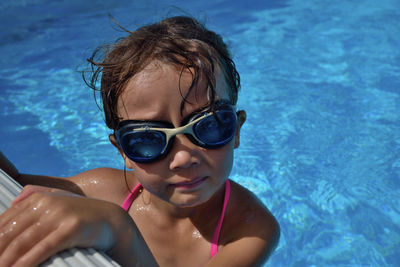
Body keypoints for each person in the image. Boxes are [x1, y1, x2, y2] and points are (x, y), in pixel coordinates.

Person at [0, 16, 280, 266]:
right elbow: (10, 182)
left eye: (208, 126)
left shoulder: (250, 230)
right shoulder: (107, 190)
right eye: (148, 139)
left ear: (237, 131)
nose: (184, 158)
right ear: (123, 151)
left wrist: (119, 230)